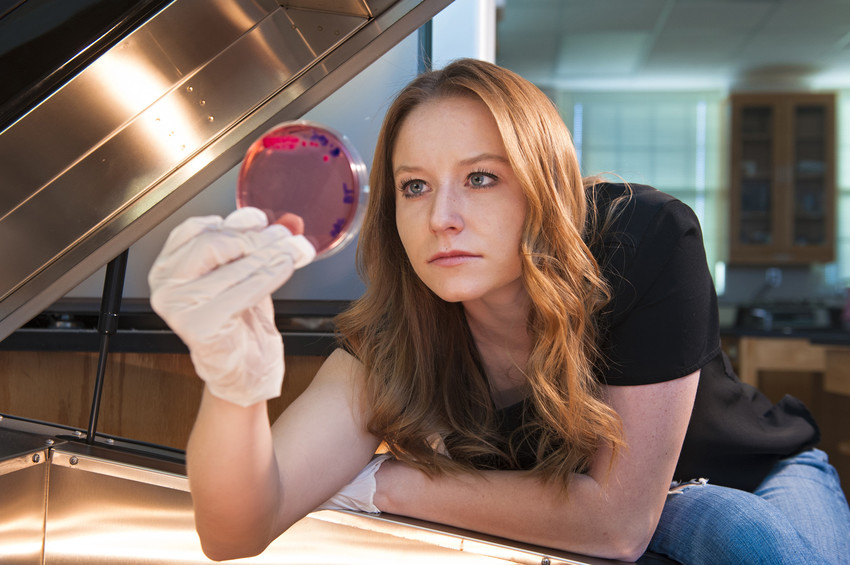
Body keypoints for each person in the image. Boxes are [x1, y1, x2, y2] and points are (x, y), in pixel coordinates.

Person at [148, 58, 850, 564]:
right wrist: (232, 387)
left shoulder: (646, 238)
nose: (443, 218)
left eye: (481, 178)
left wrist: (377, 483)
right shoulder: (395, 337)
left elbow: (614, 525)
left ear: (540, 186)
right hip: (605, 529)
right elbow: (234, 529)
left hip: (755, 481)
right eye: (416, 186)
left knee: (719, 521)